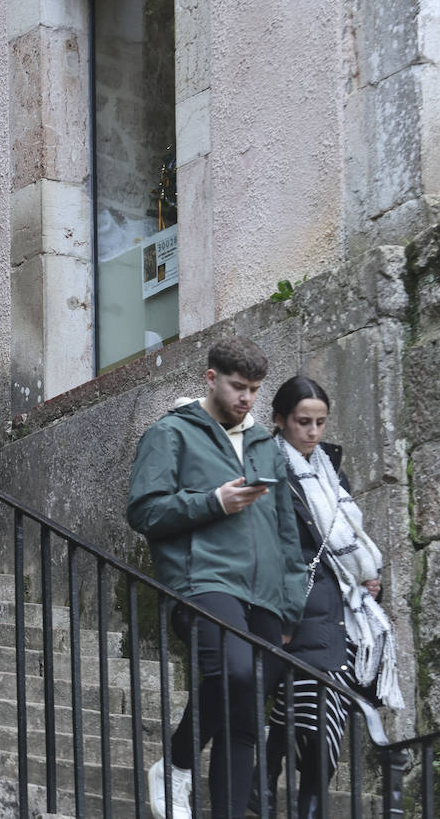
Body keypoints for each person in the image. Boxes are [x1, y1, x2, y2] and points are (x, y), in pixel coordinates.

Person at [125, 336, 306, 819]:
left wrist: (290, 606)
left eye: (255, 389)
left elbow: (287, 531)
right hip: (203, 581)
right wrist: (213, 502)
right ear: (211, 378)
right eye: (237, 386)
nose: (246, 398)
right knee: (235, 672)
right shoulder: (171, 434)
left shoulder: (266, 445)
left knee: (246, 719)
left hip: (266, 595)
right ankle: (178, 764)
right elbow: (144, 511)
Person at [252, 375, 402, 819]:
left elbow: (351, 547)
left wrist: (372, 583)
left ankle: (272, 787)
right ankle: (268, 787)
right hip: (292, 607)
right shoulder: (267, 467)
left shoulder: (334, 475)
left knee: (317, 714)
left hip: (339, 612)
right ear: (279, 420)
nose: (313, 432)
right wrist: (281, 612)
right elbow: (267, 545)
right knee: (310, 710)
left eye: (320, 422)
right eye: (303, 422)